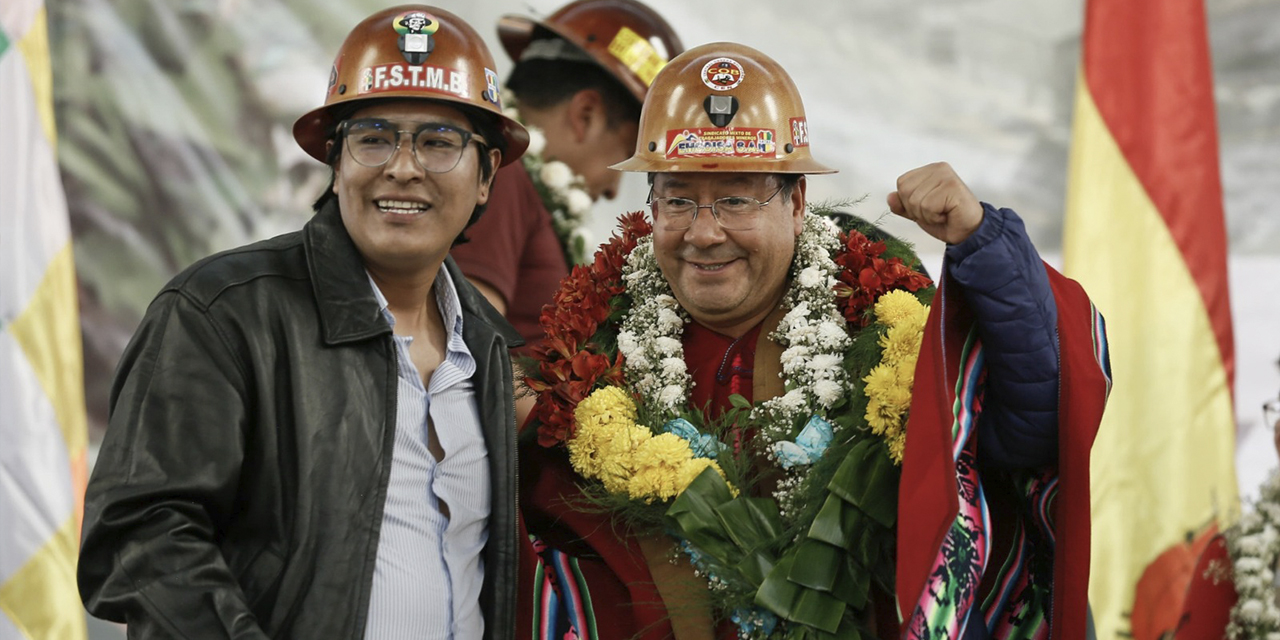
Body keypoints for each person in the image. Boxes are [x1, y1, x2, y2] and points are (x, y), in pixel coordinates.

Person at [517, 43, 1111, 639]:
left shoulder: (885, 327)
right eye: (676, 199)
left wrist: (983, 242)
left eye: (734, 199)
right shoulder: (592, 360)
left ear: (797, 203)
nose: (702, 232)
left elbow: (1035, 421)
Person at [77, 6, 530, 638]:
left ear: (485, 177)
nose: (403, 166)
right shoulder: (221, 312)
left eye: (438, 141)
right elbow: (140, 538)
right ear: (336, 162)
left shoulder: (494, 350)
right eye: (373, 137)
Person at [450, 0, 683, 355]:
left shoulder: (515, 186)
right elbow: (468, 355)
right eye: (625, 153)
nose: (612, 190)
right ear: (585, 115)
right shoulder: (501, 177)